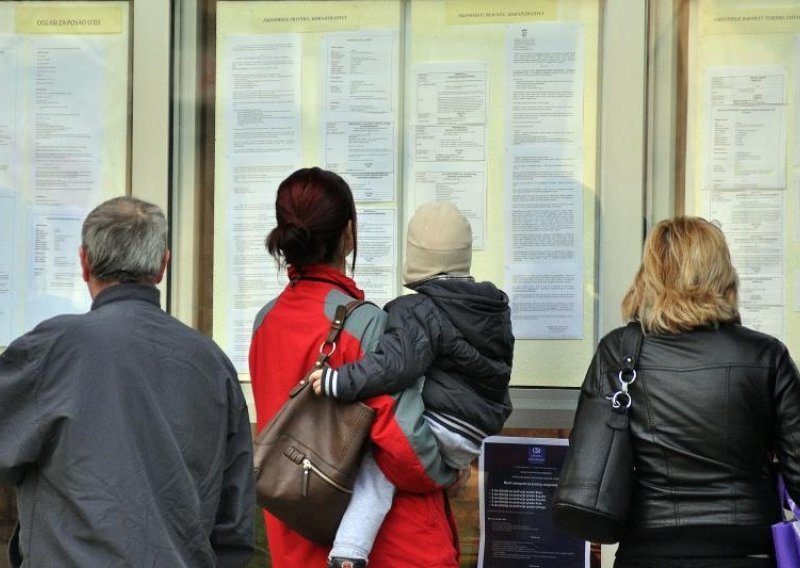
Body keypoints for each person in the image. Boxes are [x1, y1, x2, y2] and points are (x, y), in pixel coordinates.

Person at [0, 196, 255, 566]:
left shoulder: (54, 349)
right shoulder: (211, 362)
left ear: (84, 262)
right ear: (163, 264)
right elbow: (234, 526)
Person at [249, 167, 461, 568]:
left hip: (297, 545)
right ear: (348, 234)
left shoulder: (265, 322)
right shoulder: (363, 325)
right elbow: (407, 451)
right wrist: (449, 471)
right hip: (386, 550)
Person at [578, 216, 800, 567]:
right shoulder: (765, 355)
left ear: (651, 271)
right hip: (748, 548)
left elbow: (594, 455)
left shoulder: (618, 352)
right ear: (722, 271)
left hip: (648, 548)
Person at [309, 200, 514, 567]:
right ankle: (450, 470)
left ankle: (348, 553)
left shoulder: (418, 310)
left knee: (375, 471)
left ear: (415, 256)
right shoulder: (493, 308)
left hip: (444, 426)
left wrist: (339, 380)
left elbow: (393, 367)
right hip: (474, 433)